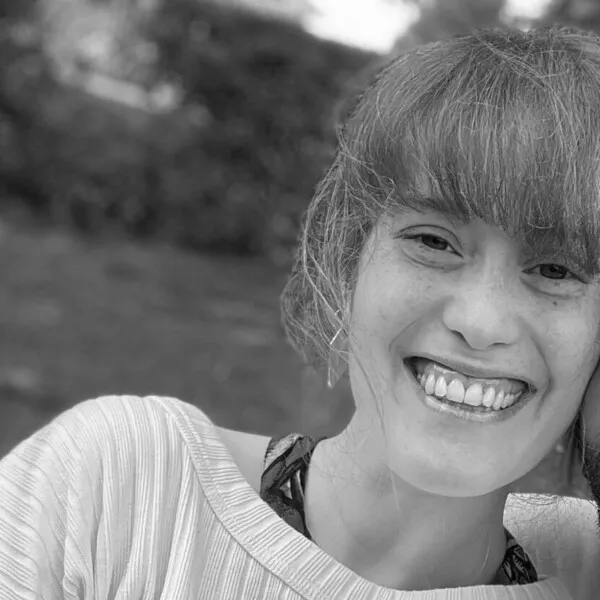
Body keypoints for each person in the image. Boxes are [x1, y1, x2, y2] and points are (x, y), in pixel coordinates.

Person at [2, 25, 600, 599]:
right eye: (433, 241)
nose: (480, 321)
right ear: (348, 258)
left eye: (556, 270)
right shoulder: (120, 490)